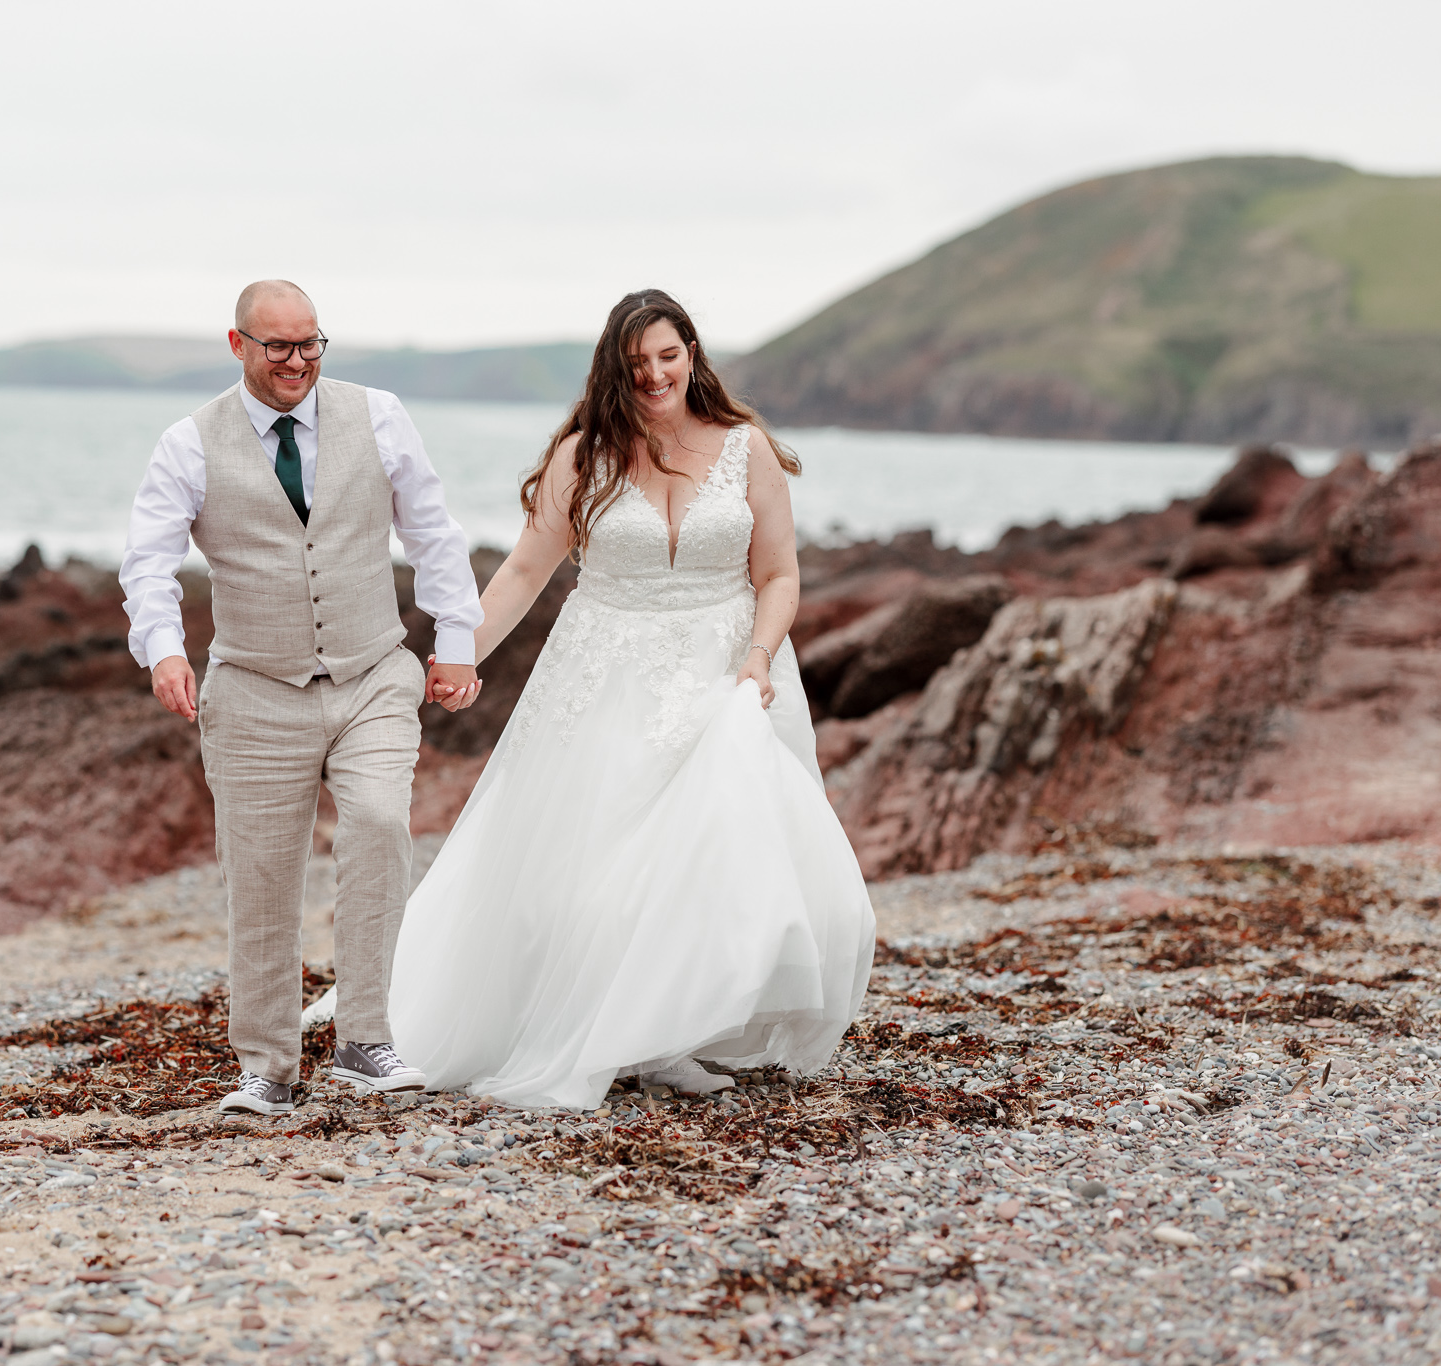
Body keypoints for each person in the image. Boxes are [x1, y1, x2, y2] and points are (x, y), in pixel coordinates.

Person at [385, 288, 875, 1110]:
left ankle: (669, 1030)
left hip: (728, 667)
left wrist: (757, 659)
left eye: (669, 356)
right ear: (616, 366)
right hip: (604, 671)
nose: (654, 375)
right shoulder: (585, 455)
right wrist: (458, 653)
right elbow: (525, 571)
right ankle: (612, 1027)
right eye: (638, 361)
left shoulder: (745, 448)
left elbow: (779, 573)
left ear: (692, 355)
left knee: (718, 845)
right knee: (598, 860)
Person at [120, 280, 484, 1115]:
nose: (297, 363)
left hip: (372, 676)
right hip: (252, 691)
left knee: (380, 826)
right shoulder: (189, 442)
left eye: (312, 344)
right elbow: (147, 561)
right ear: (238, 343)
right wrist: (165, 651)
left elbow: (432, 530)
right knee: (261, 878)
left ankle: (364, 1039)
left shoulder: (379, 415)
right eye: (279, 346)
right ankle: (268, 1068)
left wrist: (455, 642)